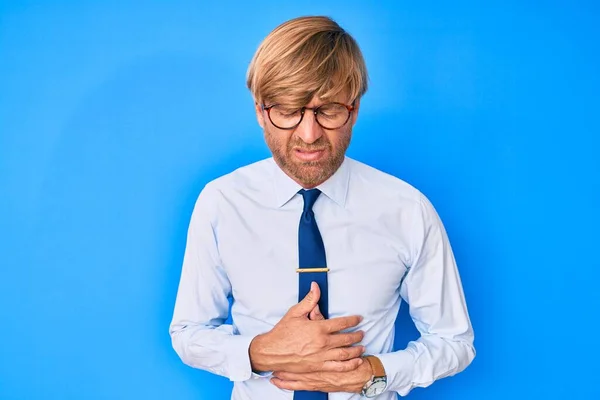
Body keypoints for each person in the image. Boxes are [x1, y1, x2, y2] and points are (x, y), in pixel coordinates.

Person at [169, 15, 475, 399]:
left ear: (355, 108)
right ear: (260, 111)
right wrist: (258, 352)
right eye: (288, 110)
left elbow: (454, 341)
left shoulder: (406, 209)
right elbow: (188, 333)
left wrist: (373, 373)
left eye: (328, 110)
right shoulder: (222, 203)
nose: (309, 134)